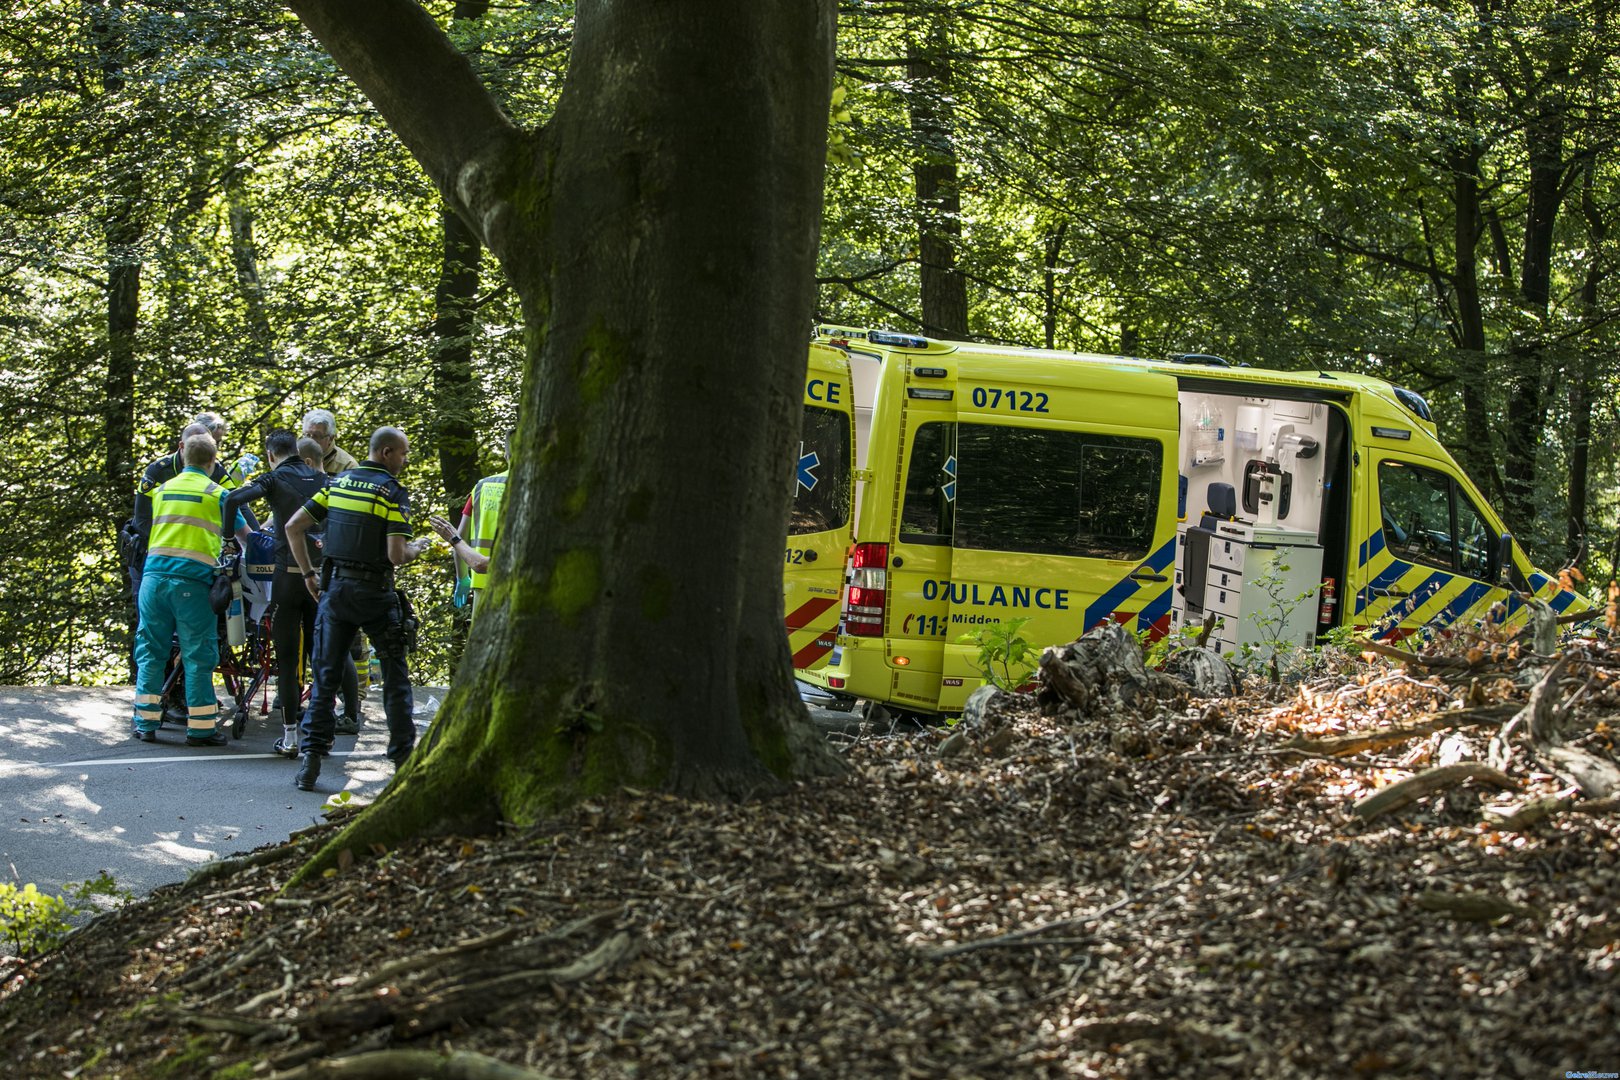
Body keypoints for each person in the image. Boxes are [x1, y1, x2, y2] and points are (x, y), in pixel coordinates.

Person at [283, 427, 435, 791]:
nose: (406, 460)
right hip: (376, 594)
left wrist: (308, 573)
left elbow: (293, 526)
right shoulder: (392, 492)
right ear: (386, 452)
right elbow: (396, 555)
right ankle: (403, 763)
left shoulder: (338, 484)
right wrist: (420, 547)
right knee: (396, 679)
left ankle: (311, 764)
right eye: (403, 453)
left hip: (335, 593)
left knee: (325, 679)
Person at [224, 429, 348, 757]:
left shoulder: (273, 478)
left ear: (270, 454)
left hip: (287, 577)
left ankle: (291, 738)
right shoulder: (324, 479)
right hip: (319, 578)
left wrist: (227, 537)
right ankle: (324, 734)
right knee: (321, 656)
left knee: (288, 658)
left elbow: (233, 499)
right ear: (298, 450)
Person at [131, 433, 250, 745]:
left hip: (153, 580)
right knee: (198, 654)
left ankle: (145, 723)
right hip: (192, 583)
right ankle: (200, 729)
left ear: (182, 456)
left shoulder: (162, 490)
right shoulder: (219, 494)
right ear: (212, 462)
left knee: (151, 650)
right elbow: (246, 538)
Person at [451, 430, 512, 610]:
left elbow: (458, 539)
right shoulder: (540, 486)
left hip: (484, 588)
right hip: (524, 585)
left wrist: (462, 578)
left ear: (505, 454)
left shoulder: (482, 487)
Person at [301, 408, 359, 476]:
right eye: (307, 435)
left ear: (331, 438)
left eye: (317, 436)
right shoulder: (295, 457)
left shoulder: (348, 466)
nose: (310, 440)